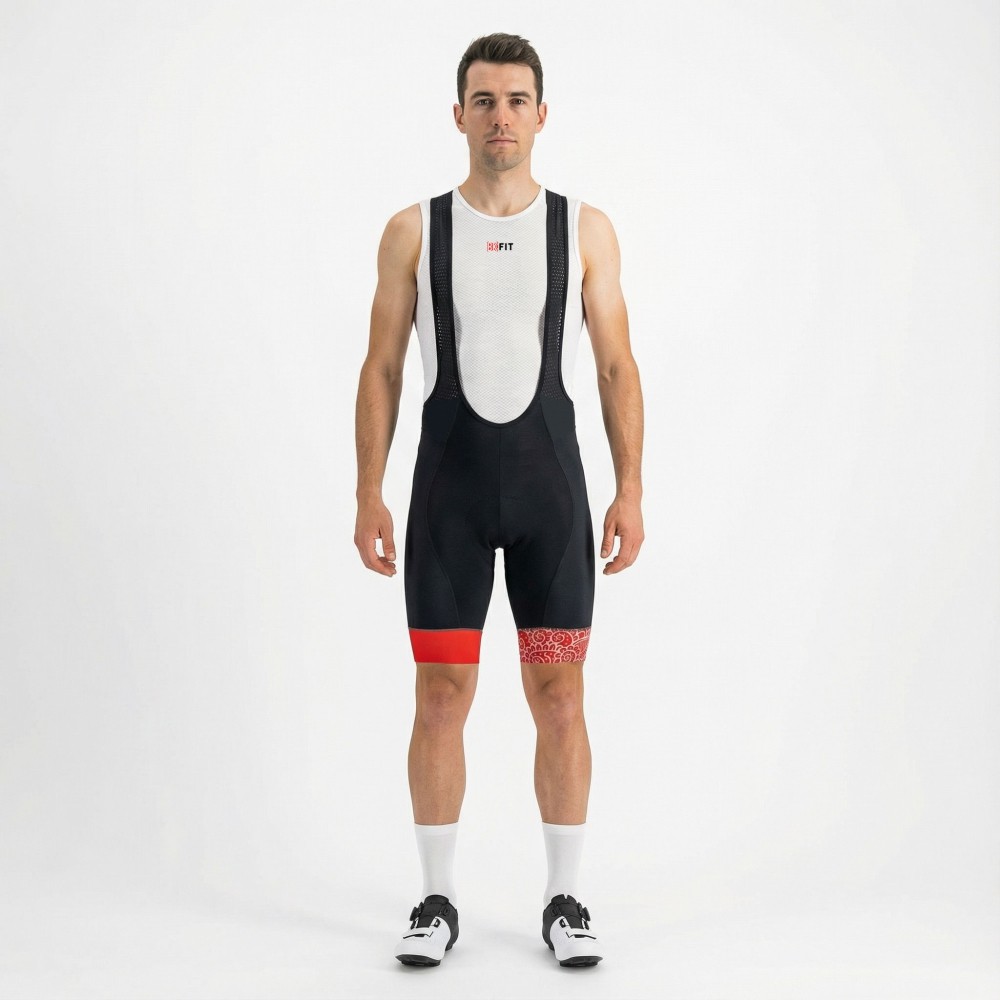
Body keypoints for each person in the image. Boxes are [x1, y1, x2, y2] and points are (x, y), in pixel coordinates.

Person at [354, 32, 644, 968]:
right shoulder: (414, 230)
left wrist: (631, 488)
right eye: (484, 100)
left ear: (542, 114)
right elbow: (382, 368)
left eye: (517, 100)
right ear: (459, 115)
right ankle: (436, 899)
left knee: (560, 697)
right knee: (441, 698)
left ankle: (565, 899)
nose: (501, 117)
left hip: (553, 504)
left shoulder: (583, 229)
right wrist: (367, 493)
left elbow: (614, 366)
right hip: (448, 502)